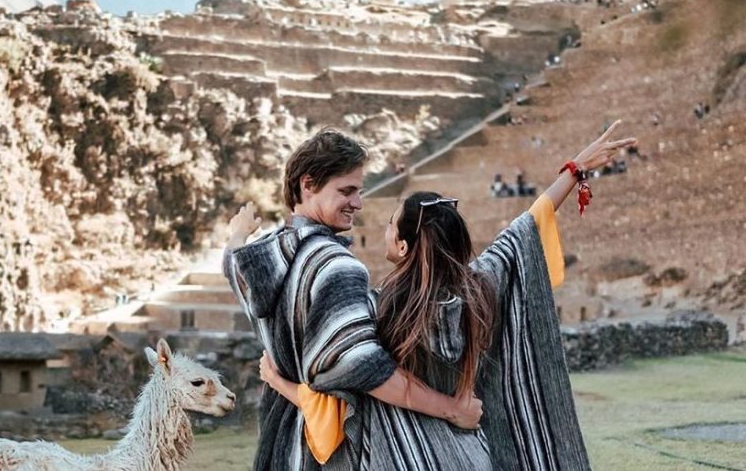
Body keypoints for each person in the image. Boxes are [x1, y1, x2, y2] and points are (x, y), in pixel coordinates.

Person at [234, 122, 637, 470]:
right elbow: (520, 234)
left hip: (394, 454)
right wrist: (574, 169)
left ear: (406, 247)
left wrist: (280, 383)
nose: (363, 207)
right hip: (467, 453)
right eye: (350, 191)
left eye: (392, 224)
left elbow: (350, 387)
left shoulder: (372, 306)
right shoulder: (477, 288)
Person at [224, 129, 483, 470]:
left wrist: (237, 235)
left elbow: (233, 265)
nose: (358, 203)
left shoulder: (264, 258)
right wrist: (452, 409)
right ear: (308, 184)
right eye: (346, 191)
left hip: (282, 443)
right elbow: (363, 367)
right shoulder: (337, 267)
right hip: (331, 453)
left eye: (359, 191)